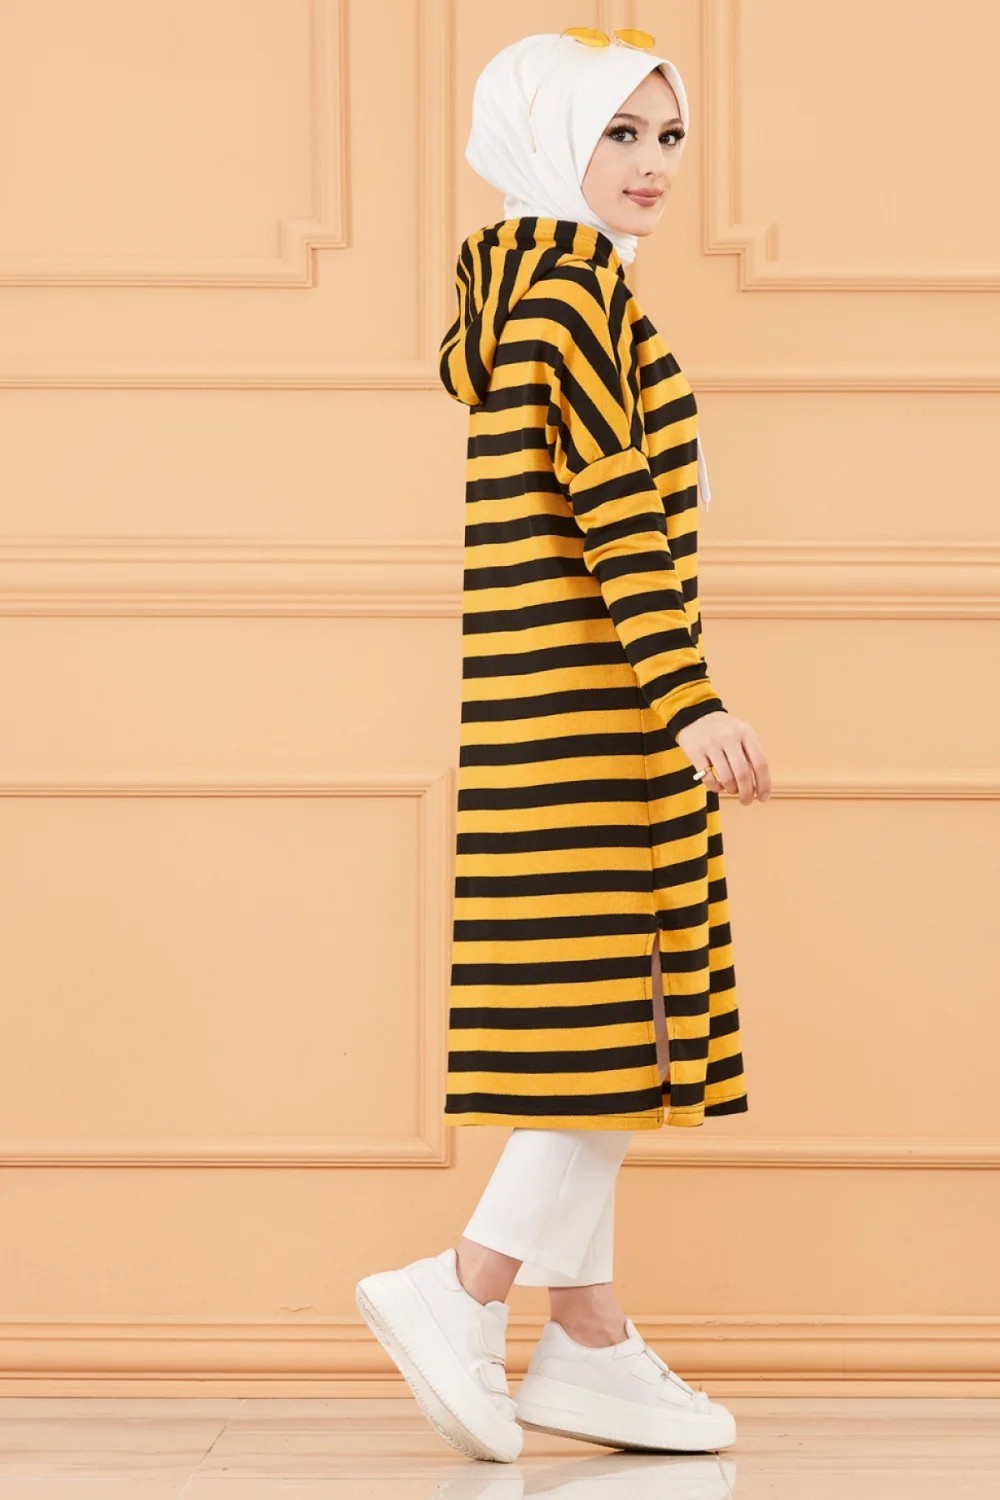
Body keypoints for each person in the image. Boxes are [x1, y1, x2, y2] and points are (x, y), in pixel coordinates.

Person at [356, 26, 771, 1464]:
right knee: (619, 1019)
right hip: (604, 708)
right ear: (547, 140)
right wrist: (689, 699)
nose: (653, 165)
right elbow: (617, 516)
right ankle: (466, 1285)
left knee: (595, 1016)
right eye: (619, 134)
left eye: (668, 135)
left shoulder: (524, 290)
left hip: (540, 707)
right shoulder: (579, 298)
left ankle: (585, 1337)